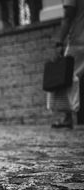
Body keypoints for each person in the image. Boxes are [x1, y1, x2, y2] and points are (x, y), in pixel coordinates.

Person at [48, 0, 83, 129]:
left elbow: (68, 15)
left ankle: (66, 118)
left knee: (67, 78)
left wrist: (59, 41)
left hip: (79, 41)